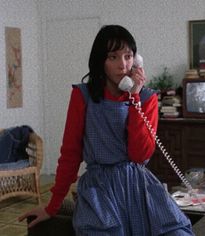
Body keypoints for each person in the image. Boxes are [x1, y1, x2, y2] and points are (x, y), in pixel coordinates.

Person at [19, 24, 194, 235]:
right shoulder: (82, 96)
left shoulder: (146, 98)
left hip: (138, 186)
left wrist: (135, 97)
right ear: (100, 61)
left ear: (136, 60)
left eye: (128, 56)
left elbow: (139, 156)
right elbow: (70, 155)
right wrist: (52, 206)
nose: (123, 65)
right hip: (99, 189)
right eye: (113, 57)